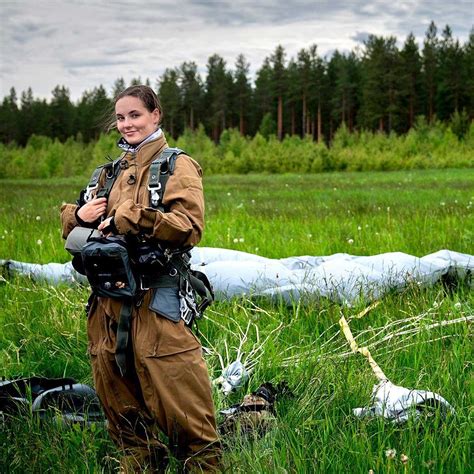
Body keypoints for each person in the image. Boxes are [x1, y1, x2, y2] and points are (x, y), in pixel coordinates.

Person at [60, 85, 221, 473]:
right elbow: (74, 234)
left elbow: (189, 227)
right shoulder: (108, 172)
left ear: (155, 115)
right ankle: (141, 461)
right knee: (116, 393)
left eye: (135, 115)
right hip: (106, 300)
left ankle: (202, 466)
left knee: (178, 389)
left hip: (156, 297)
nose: (127, 123)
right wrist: (78, 218)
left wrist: (136, 216)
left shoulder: (175, 165)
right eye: (120, 117)